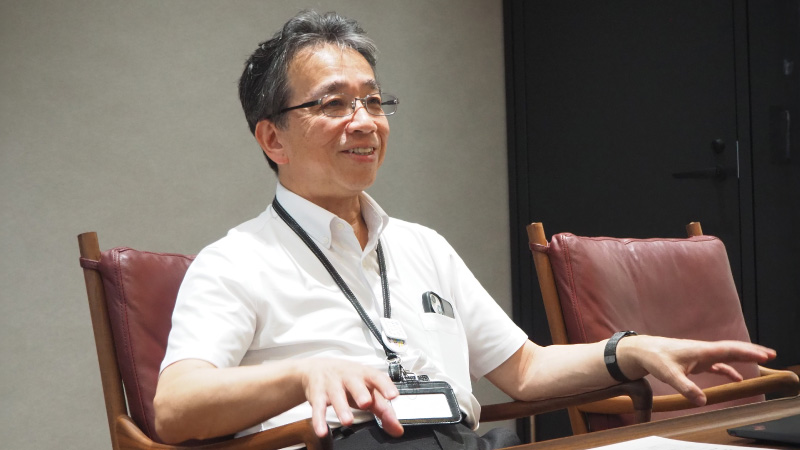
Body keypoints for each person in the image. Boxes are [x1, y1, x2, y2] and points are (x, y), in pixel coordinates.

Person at [152, 10, 777, 449]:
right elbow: (175, 407)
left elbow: (525, 370)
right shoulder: (237, 260)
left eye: (373, 100)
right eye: (334, 103)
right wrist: (303, 373)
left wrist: (629, 350)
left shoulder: (421, 246)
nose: (364, 121)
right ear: (272, 138)